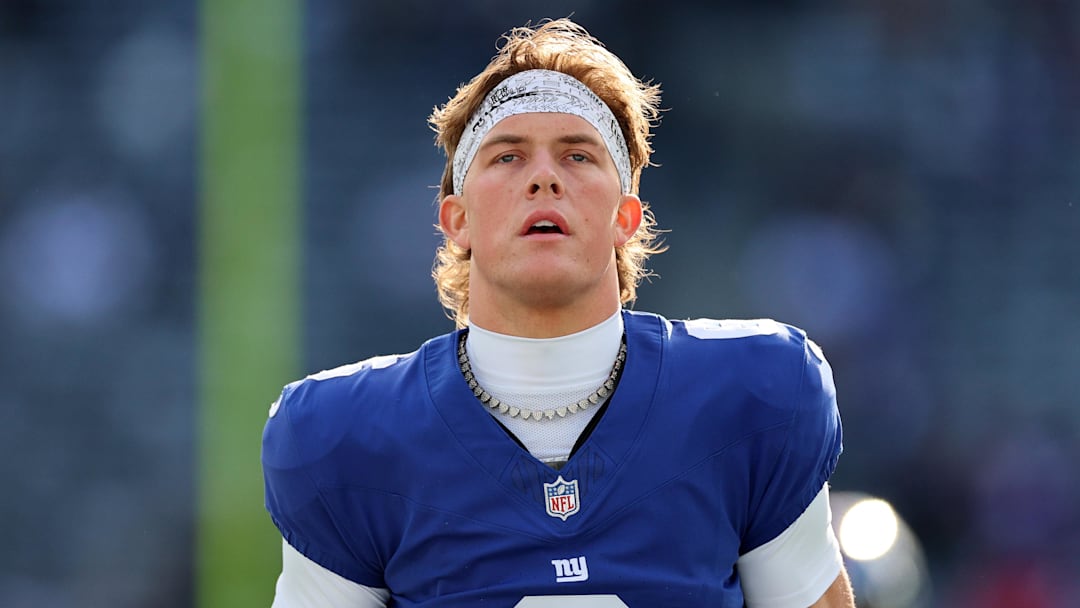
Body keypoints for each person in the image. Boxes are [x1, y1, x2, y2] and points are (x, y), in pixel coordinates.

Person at [262, 18, 855, 607]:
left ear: (627, 218)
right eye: (508, 157)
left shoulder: (754, 397)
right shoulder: (344, 439)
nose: (544, 178)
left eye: (576, 156)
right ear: (457, 220)